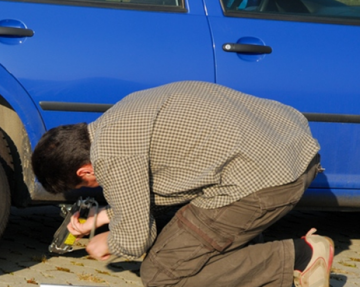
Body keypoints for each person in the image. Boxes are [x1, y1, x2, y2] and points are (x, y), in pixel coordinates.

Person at [31, 81, 333, 287]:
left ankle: (301, 256)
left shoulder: (111, 155)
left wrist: (106, 242)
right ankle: (248, 257)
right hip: (293, 150)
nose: (93, 187)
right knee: (184, 242)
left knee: (162, 272)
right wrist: (99, 219)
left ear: (84, 171)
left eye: (85, 186)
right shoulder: (117, 119)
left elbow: (136, 240)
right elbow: (144, 193)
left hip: (266, 181)